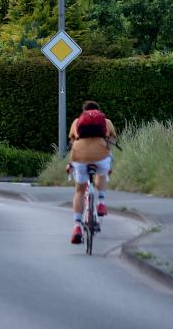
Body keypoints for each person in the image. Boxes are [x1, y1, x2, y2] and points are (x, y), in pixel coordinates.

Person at [67, 100, 117, 245]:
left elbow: (72, 142)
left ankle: (77, 226)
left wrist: (71, 164)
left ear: (84, 112)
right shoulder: (106, 121)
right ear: (98, 112)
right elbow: (112, 140)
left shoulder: (77, 122)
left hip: (80, 156)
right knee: (102, 173)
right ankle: (101, 202)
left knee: (80, 191)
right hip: (100, 155)